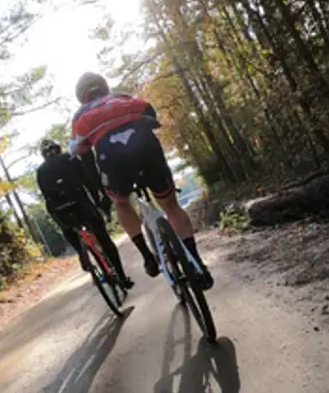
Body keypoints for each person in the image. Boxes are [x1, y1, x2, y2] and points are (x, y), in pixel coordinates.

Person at [69, 72, 213, 290]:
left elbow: (87, 161)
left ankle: (147, 257)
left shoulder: (80, 117)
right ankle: (196, 262)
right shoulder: (122, 97)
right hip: (147, 148)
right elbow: (151, 115)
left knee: (122, 203)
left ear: (82, 97)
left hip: (113, 160)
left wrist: (103, 193)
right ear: (105, 88)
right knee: (170, 205)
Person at [35, 138, 133, 288]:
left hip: (61, 211)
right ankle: (122, 277)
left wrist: (59, 220)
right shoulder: (70, 158)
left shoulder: (40, 172)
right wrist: (98, 203)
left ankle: (80, 252)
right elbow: (88, 183)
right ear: (59, 149)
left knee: (68, 229)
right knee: (104, 240)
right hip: (81, 204)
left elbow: (47, 197)